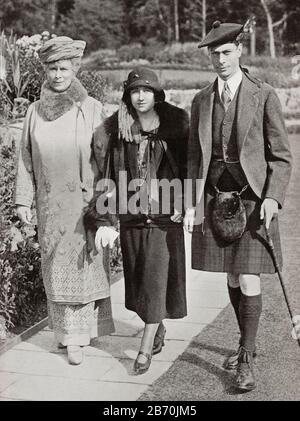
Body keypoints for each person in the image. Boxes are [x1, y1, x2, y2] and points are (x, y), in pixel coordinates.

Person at [184, 21, 292, 391]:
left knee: (248, 276)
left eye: (226, 52)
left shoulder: (263, 95)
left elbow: (281, 156)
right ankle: (247, 341)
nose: (220, 59)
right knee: (231, 275)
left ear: (239, 51)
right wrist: (190, 203)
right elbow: (193, 158)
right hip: (216, 199)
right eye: (214, 54)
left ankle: (246, 357)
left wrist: (273, 197)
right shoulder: (200, 100)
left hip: (252, 199)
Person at [14, 36, 114, 365]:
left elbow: (107, 159)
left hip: (85, 206)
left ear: (74, 68)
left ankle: (78, 337)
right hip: (50, 207)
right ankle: (65, 334)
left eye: (64, 68)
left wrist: (107, 198)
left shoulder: (92, 108)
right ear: (45, 70)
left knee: (83, 268)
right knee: (55, 267)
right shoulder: (33, 112)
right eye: (52, 68)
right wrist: (22, 202)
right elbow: (25, 159)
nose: (58, 74)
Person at [90, 67, 189, 374]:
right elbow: (104, 176)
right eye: (135, 91)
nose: (141, 96)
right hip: (132, 214)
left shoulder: (175, 125)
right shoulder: (116, 129)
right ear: (127, 95)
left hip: (164, 216)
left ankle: (144, 350)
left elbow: (190, 166)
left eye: (147, 90)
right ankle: (156, 328)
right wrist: (104, 217)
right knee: (140, 282)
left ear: (157, 94)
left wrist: (185, 202)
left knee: (157, 279)